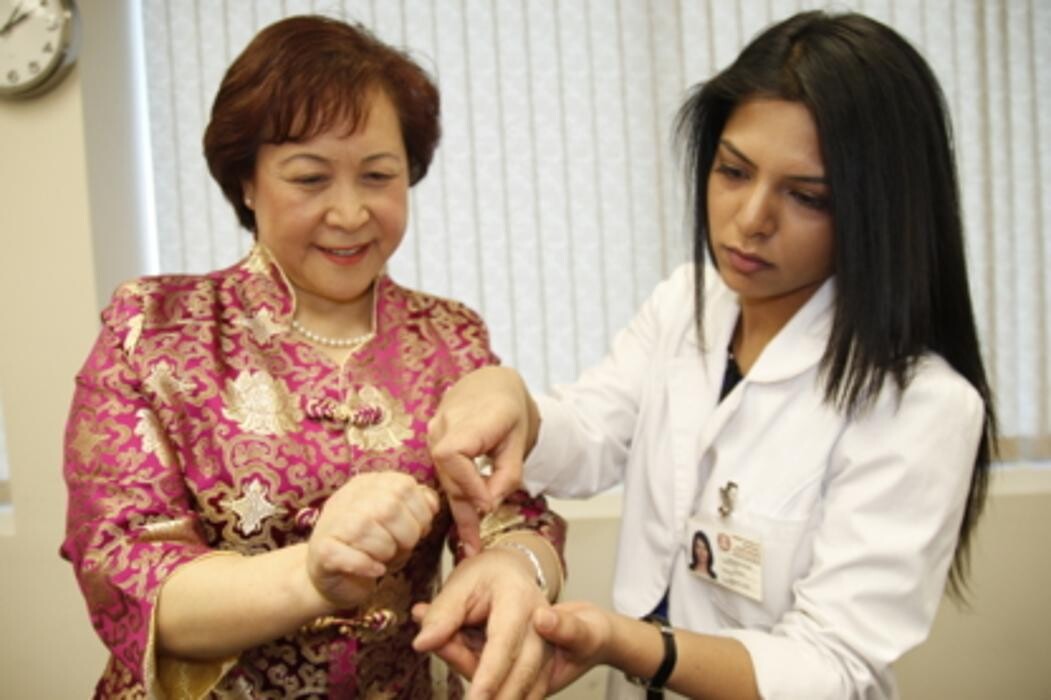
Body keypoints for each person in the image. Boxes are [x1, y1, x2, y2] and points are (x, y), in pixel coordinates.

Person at [422, 10, 997, 699]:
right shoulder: (683, 305)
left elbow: (832, 666)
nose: (750, 218)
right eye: (732, 171)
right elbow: (593, 434)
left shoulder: (920, 404)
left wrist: (623, 642)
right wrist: (513, 402)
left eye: (806, 197)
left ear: (878, 209)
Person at [60, 16, 564, 698]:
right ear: (246, 181)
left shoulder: (450, 336)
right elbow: (122, 565)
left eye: (378, 176)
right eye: (310, 179)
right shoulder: (154, 330)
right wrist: (308, 577)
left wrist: (516, 567)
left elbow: (513, 514)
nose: (351, 212)